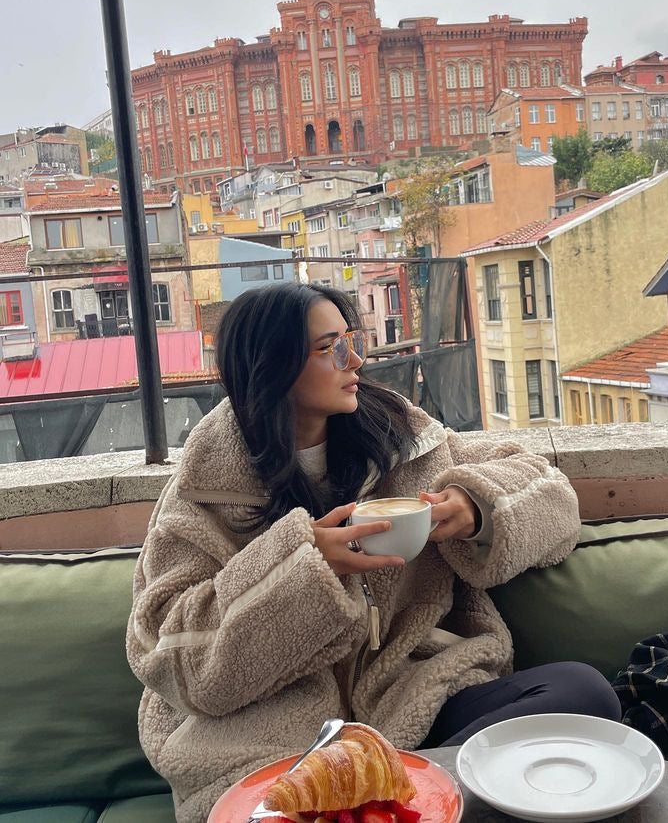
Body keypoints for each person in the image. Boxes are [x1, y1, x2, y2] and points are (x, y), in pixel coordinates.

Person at [127, 283, 620, 822]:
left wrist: (475, 506)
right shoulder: (202, 493)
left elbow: (551, 496)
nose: (355, 361)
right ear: (270, 366)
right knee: (277, 807)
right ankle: (391, 797)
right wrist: (299, 568)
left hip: (415, 700)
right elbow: (168, 655)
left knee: (583, 693)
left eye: (351, 341)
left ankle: (395, 792)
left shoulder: (404, 441)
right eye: (329, 348)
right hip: (274, 740)